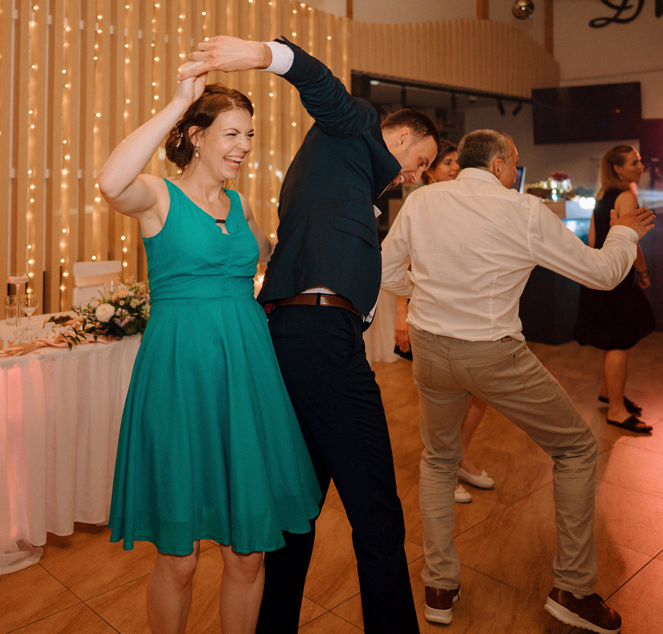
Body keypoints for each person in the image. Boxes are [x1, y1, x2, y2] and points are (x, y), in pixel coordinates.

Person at [180, 35, 437, 634]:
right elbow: (324, 87)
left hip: (296, 337)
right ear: (399, 136)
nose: (415, 175)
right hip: (322, 337)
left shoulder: (340, 178)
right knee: (377, 514)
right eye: (420, 160)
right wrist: (263, 54)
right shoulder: (357, 130)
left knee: (297, 511)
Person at [383, 129, 647, 634]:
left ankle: (439, 586)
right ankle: (573, 589)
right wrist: (625, 234)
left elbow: (387, 271)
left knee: (439, 458)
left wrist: (428, 290)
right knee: (576, 448)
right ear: (501, 165)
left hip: (430, 349)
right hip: (490, 351)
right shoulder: (523, 210)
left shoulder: (422, 201)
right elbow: (602, 274)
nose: (515, 174)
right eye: (515, 164)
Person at [96, 74, 321, 634]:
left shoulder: (240, 204)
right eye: (232, 134)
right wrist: (177, 102)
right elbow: (110, 180)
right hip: (181, 376)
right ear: (196, 137)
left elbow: (266, 253)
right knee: (180, 558)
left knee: (248, 554)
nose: (244, 146)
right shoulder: (157, 197)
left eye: (250, 135)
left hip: (246, 376)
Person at [393, 138, 496, 504]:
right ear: (430, 171)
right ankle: (444, 466)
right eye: (447, 162)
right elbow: (398, 264)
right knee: (442, 402)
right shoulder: (419, 204)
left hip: (471, 316)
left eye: (457, 161)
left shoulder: (470, 202)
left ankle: (461, 457)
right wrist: (402, 313)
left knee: (478, 393)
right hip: (432, 320)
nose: (455, 167)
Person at [573, 145, 656, 433]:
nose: (641, 166)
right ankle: (616, 411)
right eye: (634, 162)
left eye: (640, 160)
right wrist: (643, 273)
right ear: (618, 169)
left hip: (601, 272)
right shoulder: (626, 196)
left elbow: (593, 238)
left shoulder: (602, 195)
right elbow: (632, 242)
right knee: (620, 342)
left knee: (614, 339)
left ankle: (609, 393)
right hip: (618, 277)